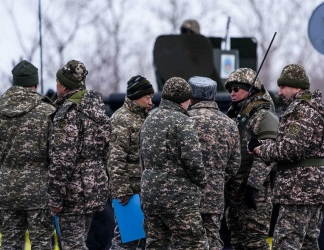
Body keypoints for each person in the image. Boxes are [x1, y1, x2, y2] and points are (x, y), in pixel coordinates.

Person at [249, 64, 324, 250]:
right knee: (308, 244)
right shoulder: (312, 109)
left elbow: (289, 150)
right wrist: (263, 145)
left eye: (283, 87)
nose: (279, 92)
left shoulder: (300, 112)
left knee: (285, 244)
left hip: (299, 190)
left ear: (297, 88)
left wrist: (261, 151)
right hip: (312, 188)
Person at [0, 60, 55, 249]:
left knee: (10, 244)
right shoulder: (47, 112)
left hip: (8, 191)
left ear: (14, 83)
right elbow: (57, 154)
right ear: (35, 84)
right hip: (39, 192)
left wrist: (8, 169)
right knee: (41, 244)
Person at [47, 60, 110, 249]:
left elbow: (63, 159)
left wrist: (55, 198)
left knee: (72, 245)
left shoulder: (67, 114)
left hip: (73, 193)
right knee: (80, 242)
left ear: (64, 85)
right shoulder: (97, 110)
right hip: (94, 188)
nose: (56, 85)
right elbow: (107, 148)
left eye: (58, 82)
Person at [139, 77, 208, 249]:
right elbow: (192, 160)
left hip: (150, 194)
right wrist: (202, 181)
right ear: (183, 100)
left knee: (156, 244)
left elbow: (142, 157)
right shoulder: (183, 122)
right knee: (195, 243)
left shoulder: (149, 120)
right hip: (177, 197)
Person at [224, 68, 279, 250]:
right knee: (237, 241)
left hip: (255, 191)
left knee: (254, 242)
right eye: (230, 89)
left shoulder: (264, 116)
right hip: (234, 189)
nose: (232, 92)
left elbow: (267, 154)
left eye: (237, 88)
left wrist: (252, 186)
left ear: (251, 89)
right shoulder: (234, 116)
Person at [187, 76, 241, 249]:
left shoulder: (183, 121)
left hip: (186, 193)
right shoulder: (229, 124)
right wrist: (218, 177)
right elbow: (234, 164)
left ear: (191, 97)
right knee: (212, 236)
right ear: (214, 97)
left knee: (187, 239)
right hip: (215, 193)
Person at [108, 75, 154, 249]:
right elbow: (116, 157)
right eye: (147, 97)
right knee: (126, 240)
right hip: (130, 193)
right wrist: (122, 190)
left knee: (145, 240)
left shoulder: (148, 117)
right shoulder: (122, 119)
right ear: (136, 97)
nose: (151, 101)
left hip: (146, 189)